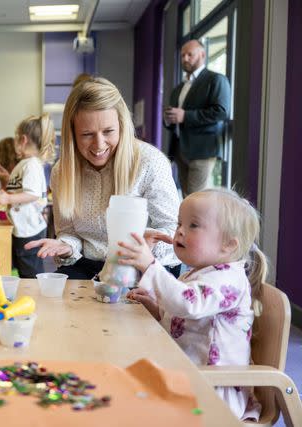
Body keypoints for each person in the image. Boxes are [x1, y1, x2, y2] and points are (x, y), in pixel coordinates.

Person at [122, 188, 264, 420]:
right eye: (180, 223)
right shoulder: (200, 273)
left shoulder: (228, 279)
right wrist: (158, 311)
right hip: (190, 377)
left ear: (228, 245)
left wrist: (150, 265)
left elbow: (189, 305)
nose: (179, 231)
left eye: (193, 225)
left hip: (212, 392)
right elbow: (189, 322)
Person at [25, 76, 181, 280]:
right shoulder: (62, 171)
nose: (99, 145)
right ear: (72, 134)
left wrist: (143, 245)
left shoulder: (150, 162)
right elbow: (70, 233)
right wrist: (65, 246)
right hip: (90, 265)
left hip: (145, 264)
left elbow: (172, 229)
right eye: (87, 134)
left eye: (108, 131)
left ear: (121, 126)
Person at [164, 39, 231, 197]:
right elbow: (175, 119)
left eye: (190, 54)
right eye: (182, 55)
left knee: (197, 199)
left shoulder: (216, 80)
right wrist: (168, 119)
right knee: (187, 197)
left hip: (203, 150)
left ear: (202, 54)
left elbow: (221, 112)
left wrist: (185, 116)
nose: (185, 58)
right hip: (180, 150)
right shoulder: (179, 88)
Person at [0, 114, 55, 278]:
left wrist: (8, 199)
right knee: (22, 267)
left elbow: (32, 193)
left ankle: (34, 298)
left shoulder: (31, 165)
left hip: (29, 231)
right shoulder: (26, 164)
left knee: (31, 273)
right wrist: (6, 185)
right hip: (24, 228)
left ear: (22, 139)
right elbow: (22, 190)